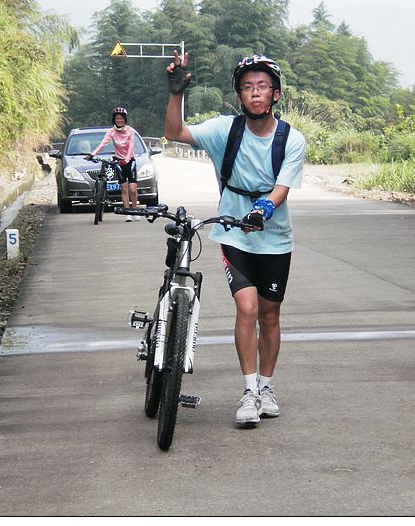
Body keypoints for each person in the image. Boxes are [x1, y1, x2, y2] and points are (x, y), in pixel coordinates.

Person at [164, 51, 306, 426]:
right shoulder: (224, 130)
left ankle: (266, 388)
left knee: (270, 314)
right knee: (247, 309)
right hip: (234, 234)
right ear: (239, 95)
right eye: (247, 87)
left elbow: (281, 189)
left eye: (262, 86)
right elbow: (175, 133)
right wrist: (176, 93)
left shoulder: (291, 139)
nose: (255, 92)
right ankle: (248, 391)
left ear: (275, 94)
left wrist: (263, 210)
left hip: (275, 238)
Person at [86, 107, 140, 221]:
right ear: (114, 120)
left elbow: (131, 147)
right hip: (119, 161)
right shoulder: (111, 132)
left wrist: (127, 159)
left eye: (121, 118)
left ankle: (135, 210)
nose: (119, 120)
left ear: (125, 120)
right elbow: (103, 144)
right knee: (124, 189)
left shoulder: (130, 131)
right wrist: (92, 154)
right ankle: (127, 212)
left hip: (130, 161)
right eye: (117, 118)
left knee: (133, 189)